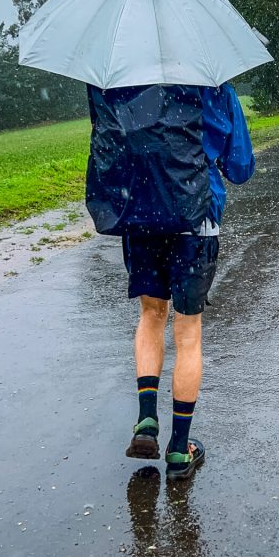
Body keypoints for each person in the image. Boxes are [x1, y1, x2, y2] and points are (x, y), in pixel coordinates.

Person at [87, 83, 254, 479]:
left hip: (140, 213)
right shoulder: (213, 85)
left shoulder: (121, 84)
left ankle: (147, 418)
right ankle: (180, 449)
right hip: (195, 219)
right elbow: (240, 168)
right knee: (188, 331)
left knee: (151, 315)